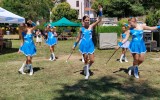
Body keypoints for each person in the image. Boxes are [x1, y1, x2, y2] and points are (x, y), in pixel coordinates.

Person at [72, 5, 102, 79]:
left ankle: (86, 68)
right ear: (83, 21)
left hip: (90, 45)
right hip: (83, 45)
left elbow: (99, 20)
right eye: (86, 20)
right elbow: (78, 37)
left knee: (92, 60)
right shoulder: (81, 29)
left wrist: (100, 11)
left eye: (88, 20)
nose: (87, 21)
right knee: (85, 59)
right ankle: (87, 74)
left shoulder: (91, 26)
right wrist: (74, 45)